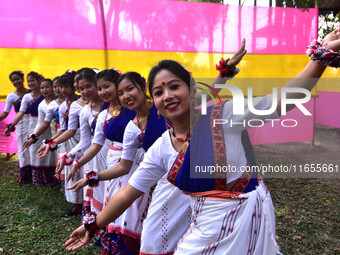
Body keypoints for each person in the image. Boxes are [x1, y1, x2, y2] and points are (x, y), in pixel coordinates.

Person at [66, 28, 340, 254]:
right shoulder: (162, 145)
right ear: (156, 104)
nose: (168, 95)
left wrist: (319, 58)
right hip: (205, 224)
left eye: (174, 86)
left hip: (246, 215)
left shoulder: (224, 116)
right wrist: (93, 225)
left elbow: (279, 102)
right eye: (159, 92)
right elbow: (129, 191)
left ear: (190, 90)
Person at [65, 41, 246, 254]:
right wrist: (94, 181)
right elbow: (125, 169)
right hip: (166, 183)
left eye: (130, 89)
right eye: (121, 93)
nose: (126, 96)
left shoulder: (172, 109)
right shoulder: (132, 128)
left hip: (202, 182)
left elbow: (202, 94)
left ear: (143, 88)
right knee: (156, 236)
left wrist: (225, 72)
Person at [8, 71, 49, 185]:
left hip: (46, 125)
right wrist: (11, 125)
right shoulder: (27, 96)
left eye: (32, 81)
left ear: (39, 81)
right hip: (32, 125)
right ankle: (34, 178)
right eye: (29, 81)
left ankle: (48, 177)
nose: (30, 83)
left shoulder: (46, 94)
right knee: (33, 149)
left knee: (47, 149)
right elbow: (21, 113)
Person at [2, 70, 31, 183]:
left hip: (36, 122)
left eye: (18, 79)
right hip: (21, 123)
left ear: (23, 79)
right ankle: (25, 175)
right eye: (13, 80)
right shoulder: (11, 96)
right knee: (23, 148)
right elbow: (5, 113)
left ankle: (36, 173)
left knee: (35, 147)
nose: (16, 82)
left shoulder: (32, 92)